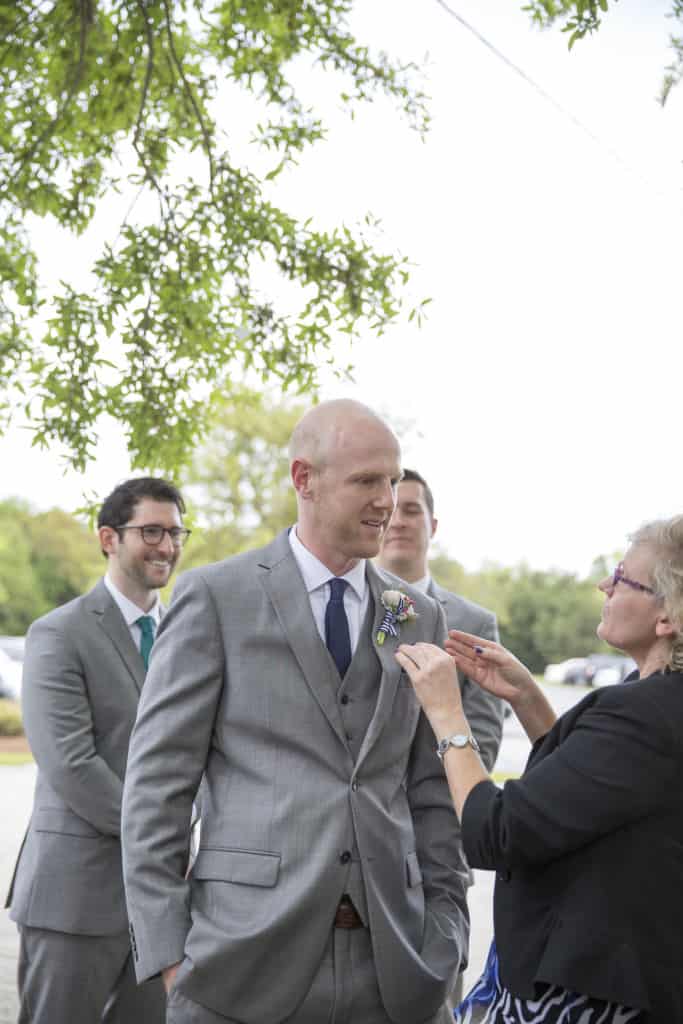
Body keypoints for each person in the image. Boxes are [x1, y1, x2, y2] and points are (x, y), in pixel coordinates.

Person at [121, 399, 469, 1024]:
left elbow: (430, 788)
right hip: (239, 963)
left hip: (397, 965)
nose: (386, 501)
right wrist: (169, 951)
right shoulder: (216, 597)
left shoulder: (414, 613)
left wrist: (449, 929)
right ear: (304, 479)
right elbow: (156, 787)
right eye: (367, 481)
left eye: (393, 481)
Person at [396, 515, 683, 1022]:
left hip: (582, 1001)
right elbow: (591, 791)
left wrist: (447, 712)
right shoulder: (657, 710)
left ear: (668, 618)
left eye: (622, 577)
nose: (604, 585)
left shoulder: (644, 714)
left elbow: (497, 831)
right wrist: (527, 696)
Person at [6, 476, 189, 1024]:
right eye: (151, 531)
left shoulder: (187, 632)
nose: (167, 546)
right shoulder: (57, 633)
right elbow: (71, 764)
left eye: (176, 532)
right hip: (74, 895)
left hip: (160, 905)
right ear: (108, 538)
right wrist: (158, 833)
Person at [377, 467, 504, 1006]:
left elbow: (485, 737)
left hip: (434, 851)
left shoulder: (472, 622)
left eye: (413, 509)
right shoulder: (345, 611)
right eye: (393, 507)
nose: (400, 519)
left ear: (434, 523)